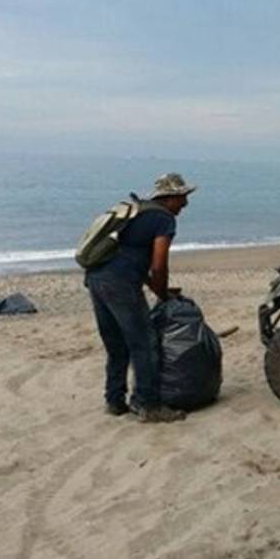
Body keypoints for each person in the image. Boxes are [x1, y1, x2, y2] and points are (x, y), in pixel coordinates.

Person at [85, 173, 196, 423]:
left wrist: (159, 290)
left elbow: (132, 259)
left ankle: (114, 401)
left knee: (116, 344)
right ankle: (148, 405)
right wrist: (162, 293)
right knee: (144, 342)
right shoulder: (164, 219)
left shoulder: (139, 212)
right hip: (119, 284)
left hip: (95, 278)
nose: (185, 204)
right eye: (182, 198)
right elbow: (158, 265)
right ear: (169, 198)